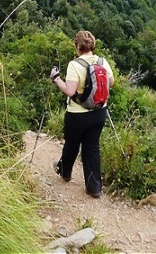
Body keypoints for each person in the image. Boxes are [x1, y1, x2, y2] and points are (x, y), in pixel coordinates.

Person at [48, 30, 114, 198]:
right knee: (92, 148)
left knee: (71, 144)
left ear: (77, 46)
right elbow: (111, 83)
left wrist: (56, 79)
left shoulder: (75, 65)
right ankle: (94, 188)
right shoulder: (103, 62)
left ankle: (65, 172)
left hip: (77, 113)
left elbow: (70, 91)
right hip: (99, 112)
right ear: (93, 45)